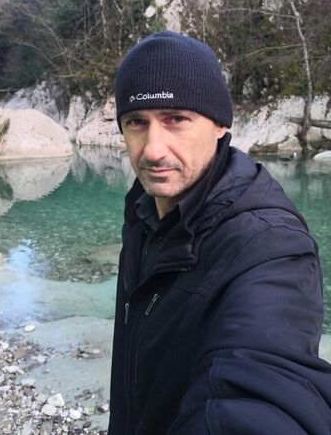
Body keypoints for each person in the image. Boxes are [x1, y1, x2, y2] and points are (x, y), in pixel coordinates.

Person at [107, 31, 331, 435]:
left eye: (176, 119)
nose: (153, 149)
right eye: (137, 122)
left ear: (219, 125)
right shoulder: (144, 210)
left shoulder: (271, 246)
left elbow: (261, 386)